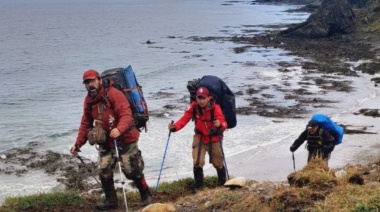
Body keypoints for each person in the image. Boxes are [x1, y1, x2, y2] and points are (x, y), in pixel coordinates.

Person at [70, 69, 152, 210]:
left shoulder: (114, 94)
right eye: (87, 82)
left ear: (100, 80)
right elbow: (85, 123)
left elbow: (126, 115)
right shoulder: (89, 100)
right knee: (104, 170)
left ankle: (146, 194)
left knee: (131, 170)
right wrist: (77, 144)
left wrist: (119, 129)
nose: (90, 85)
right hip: (106, 141)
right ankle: (111, 201)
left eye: (92, 81)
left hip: (126, 138)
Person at [168, 86, 228, 189]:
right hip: (200, 138)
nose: (201, 101)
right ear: (196, 98)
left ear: (209, 97)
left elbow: (224, 123)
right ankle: (199, 187)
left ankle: (222, 184)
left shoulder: (215, 108)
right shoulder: (194, 107)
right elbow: (184, 118)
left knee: (218, 163)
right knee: (197, 162)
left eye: (203, 98)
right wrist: (175, 127)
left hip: (214, 139)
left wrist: (219, 124)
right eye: (199, 98)